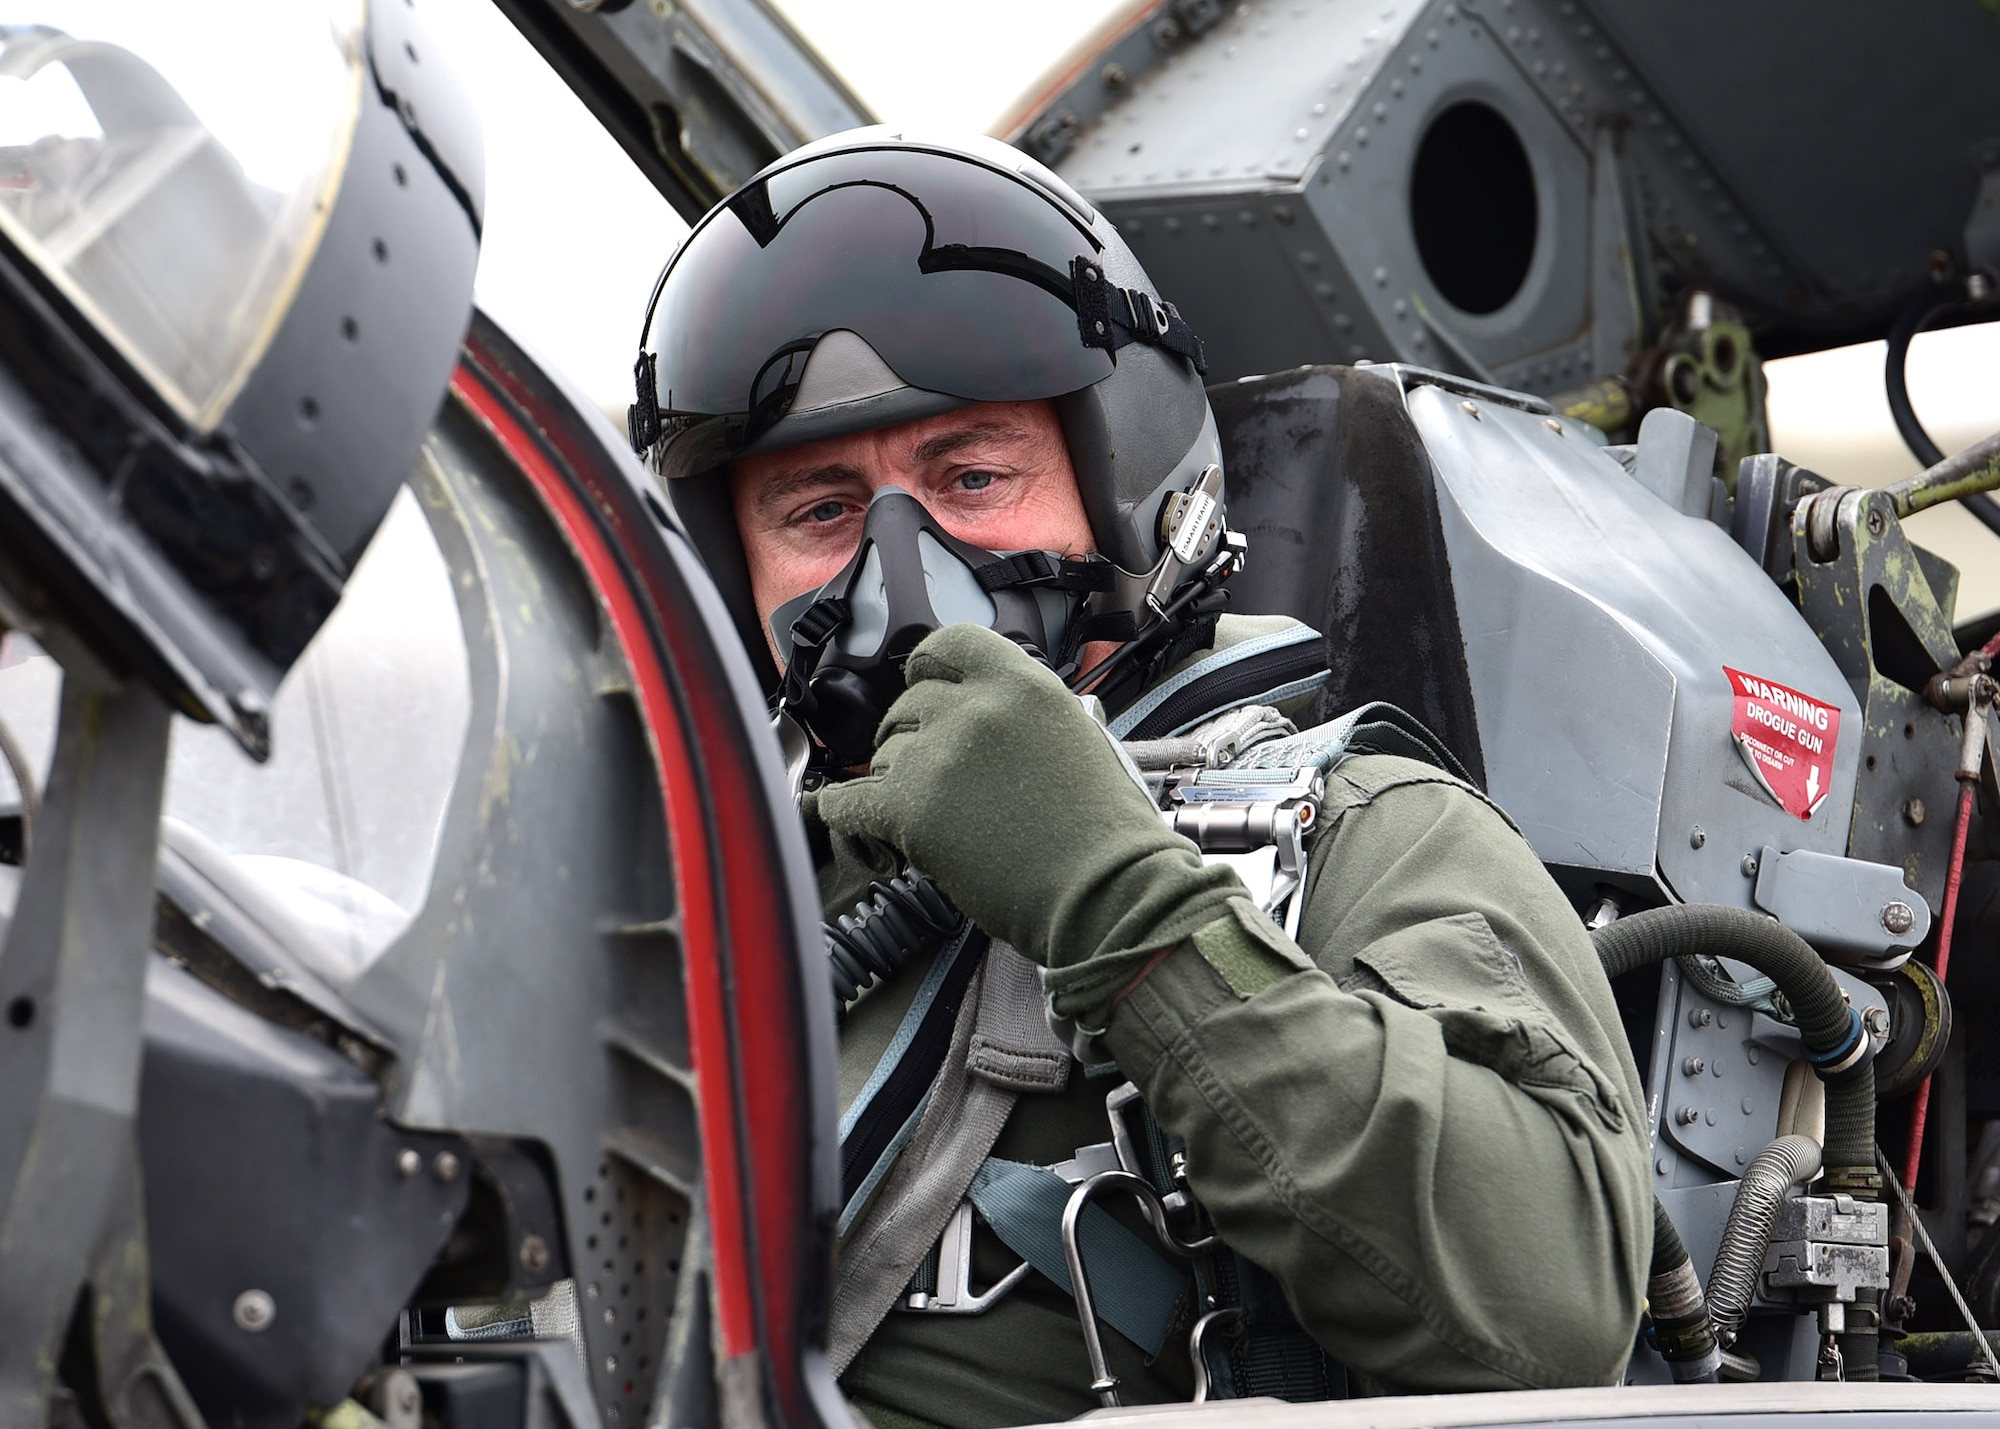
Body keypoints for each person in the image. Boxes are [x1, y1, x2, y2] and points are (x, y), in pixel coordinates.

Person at [631, 128, 1652, 1428]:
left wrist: (1116, 901)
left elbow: (1559, 1313)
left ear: (1124, 492)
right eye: (821, 512)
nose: (905, 570)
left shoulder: (1360, 835)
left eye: (975, 477)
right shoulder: (705, 891)